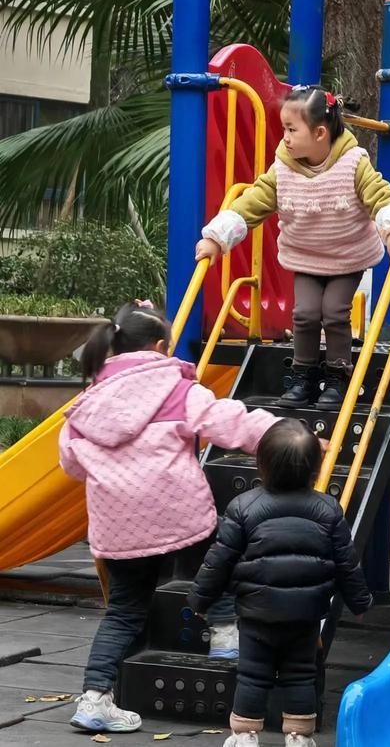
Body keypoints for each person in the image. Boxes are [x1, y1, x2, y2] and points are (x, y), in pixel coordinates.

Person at [59, 301, 278, 734]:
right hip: (178, 512)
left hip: (119, 526)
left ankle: (95, 698)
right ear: (160, 347)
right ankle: (224, 633)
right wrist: (279, 433)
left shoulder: (88, 403)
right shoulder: (176, 388)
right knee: (217, 563)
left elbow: (71, 463)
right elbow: (228, 422)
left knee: (124, 612)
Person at [195, 85, 390, 410]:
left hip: (347, 258)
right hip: (307, 259)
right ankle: (303, 376)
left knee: (335, 312)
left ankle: (337, 377)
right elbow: (252, 202)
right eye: (284, 129)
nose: (284, 137)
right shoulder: (283, 169)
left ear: (320, 133)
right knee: (305, 314)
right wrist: (217, 237)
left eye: (291, 130)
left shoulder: (353, 163)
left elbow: (380, 196)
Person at [187, 418, 372, 747]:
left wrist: (201, 600)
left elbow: (219, 560)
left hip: (257, 614)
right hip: (305, 616)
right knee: (300, 675)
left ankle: (245, 735)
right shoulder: (328, 510)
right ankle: (299, 736)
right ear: (316, 469)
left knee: (252, 674)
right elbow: (348, 563)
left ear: (261, 465)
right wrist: (359, 602)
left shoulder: (243, 507)